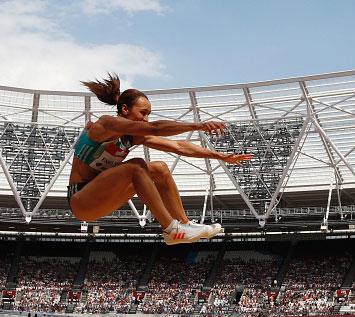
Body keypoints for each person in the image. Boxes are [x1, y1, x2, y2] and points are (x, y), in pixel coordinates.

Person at [68, 73, 252, 244]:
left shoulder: (133, 136)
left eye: (149, 114)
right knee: (136, 165)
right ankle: (171, 229)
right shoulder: (105, 124)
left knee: (160, 168)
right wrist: (198, 126)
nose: (146, 119)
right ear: (124, 109)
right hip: (81, 199)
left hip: (103, 197)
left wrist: (220, 156)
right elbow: (154, 128)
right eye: (143, 113)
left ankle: (183, 224)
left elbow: (179, 146)